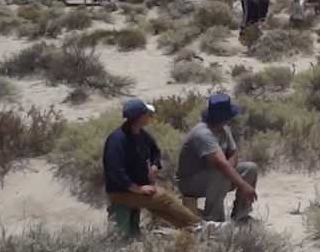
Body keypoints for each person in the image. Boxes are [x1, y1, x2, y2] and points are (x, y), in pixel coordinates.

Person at [104, 99, 201, 230]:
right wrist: (138, 189)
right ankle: (199, 223)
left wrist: (155, 165)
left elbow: (155, 151)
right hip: (121, 192)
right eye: (147, 114)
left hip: (138, 188)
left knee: (160, 209)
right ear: (140, 117)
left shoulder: (141, 134)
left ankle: (192, 230)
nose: (150, 116)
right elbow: (115, 171)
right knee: (164, 198)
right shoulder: (117, 140)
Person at [177, 94, 258, 224]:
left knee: (250, 168)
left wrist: (229, 169)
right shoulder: (203, 134)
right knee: (221, 172)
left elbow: (233, 152)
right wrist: (242, 185)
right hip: (190, 182)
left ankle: (241, 215)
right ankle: (214, 219)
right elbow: (220, 164)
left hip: (213, 177)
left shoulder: (224, 129)